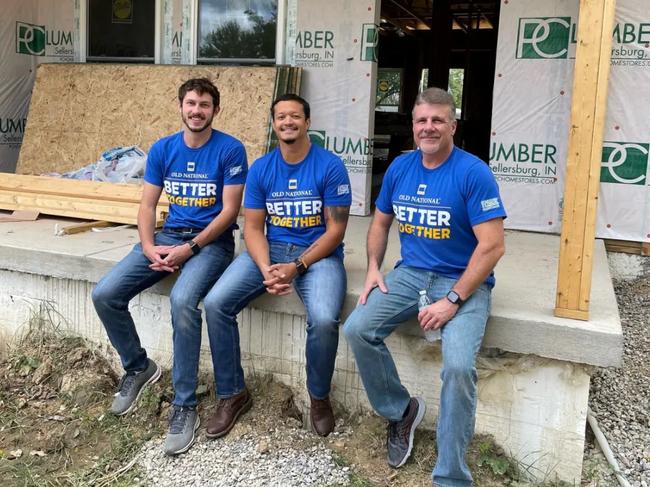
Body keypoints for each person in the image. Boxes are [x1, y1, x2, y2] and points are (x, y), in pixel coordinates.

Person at [343, 87, 506, 486]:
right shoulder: (400, 168)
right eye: (421, 120)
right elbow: (380, 223)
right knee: (357, 329)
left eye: (437, 120)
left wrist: (452, 300)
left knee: (456, 367)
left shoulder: (472, 172)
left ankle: (451, 476)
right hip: (411, 274)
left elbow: (492, 246)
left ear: (452, 124)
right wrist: (373, 269)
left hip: (463, 280)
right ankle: (401, 412)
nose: (428, 127)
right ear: (413, 126)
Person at [91, 78, 247, 456]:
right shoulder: (163, 149)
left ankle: (185, 405)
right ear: (180, 106)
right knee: (105, 293)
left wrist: (189, 248)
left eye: (205, 105)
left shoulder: (230, 149)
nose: (197, 110)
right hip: (167, 235)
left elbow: (230, 212)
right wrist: (149, 246)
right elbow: (147, 207)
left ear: (215, 110)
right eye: (191, 103)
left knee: (182, 302)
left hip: (210, 243)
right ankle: (138, 367)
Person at [203, 93, 351, 439]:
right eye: (281, 117)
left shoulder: (330, 166)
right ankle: (232, 393)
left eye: (295, 116)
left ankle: (318, 396)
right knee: (215, 303)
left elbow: (336, 231)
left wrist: (295, 267)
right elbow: (253, 228)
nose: (288, 122)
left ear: (307, 122)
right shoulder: (262, 168)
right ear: (274, 124)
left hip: (317, 255)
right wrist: (268, 266)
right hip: (271, 250)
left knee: (326, 318)